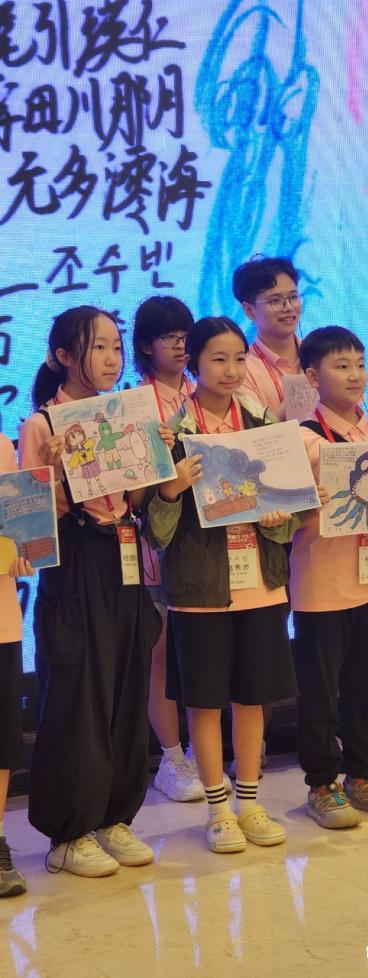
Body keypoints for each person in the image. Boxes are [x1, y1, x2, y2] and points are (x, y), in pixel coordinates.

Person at [143, 316, 299, 853]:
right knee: (206, 702)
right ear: (193, 363)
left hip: (261, 582)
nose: (231, 370)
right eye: (218, 359)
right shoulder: (171, 434)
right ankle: (217, 809)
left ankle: (250, 803)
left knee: (253, 698)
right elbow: (156, 533)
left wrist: (280, 517)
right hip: (199, 590)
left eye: (239, 358)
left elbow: (293, 512)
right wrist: (170, 491)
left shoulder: (263, 425)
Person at [18, 305, 163, 877]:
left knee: (127, 684)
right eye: (96, 347)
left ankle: (114, 817)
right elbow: (30, 528)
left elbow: (135, 500)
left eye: (114, 346)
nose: (110, 358)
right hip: (74, 562)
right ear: (62, 356)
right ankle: (69, 832)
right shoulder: (42, 426)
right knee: (78, 691)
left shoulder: (124, 414)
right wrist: (55, 474)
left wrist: (153, 460)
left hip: (123, 553)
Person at [289, 326, 368, 829]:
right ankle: (321, 784)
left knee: (365, 687)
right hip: (320, 585)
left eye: (359, 363)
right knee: (319, 693)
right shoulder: (302, 439)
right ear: (313, 377)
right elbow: (286, 512)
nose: (355, 374)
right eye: (341, 366)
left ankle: (362, 776)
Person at [132, 295, 225, 804]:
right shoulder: (133, 403)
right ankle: (171, 756)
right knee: (162, 654)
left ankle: (202, 750)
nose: (179, 344)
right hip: (156, 545)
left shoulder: (205, 393)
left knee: (206, 655)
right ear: (146, 345)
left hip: (208, 549)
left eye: (185, 334)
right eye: (167, 336)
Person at [0, 434, 34, 897]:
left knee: (2, 738)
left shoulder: (2, 447)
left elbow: (20, 521)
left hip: (2, 620)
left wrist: (27, 552)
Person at [232, 255, 305, 419]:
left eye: (293, 297)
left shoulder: (320, 354)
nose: (289, 307)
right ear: (249, 310)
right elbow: (258, 430)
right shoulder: (242, 369)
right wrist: (306, 389)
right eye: (275, 301)